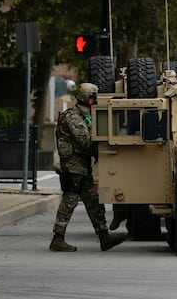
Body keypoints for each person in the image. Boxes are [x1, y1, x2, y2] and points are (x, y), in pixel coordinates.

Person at [49, 82, 127, 252]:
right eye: (93, 97)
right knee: (70, 201)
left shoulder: (86, 116)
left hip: (82, 167)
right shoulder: (73, 117)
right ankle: (57, 238)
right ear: (86, 98)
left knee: (93, 201)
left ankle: (104, 236)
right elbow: (85, 142)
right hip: (73, 168)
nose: (95, 100)